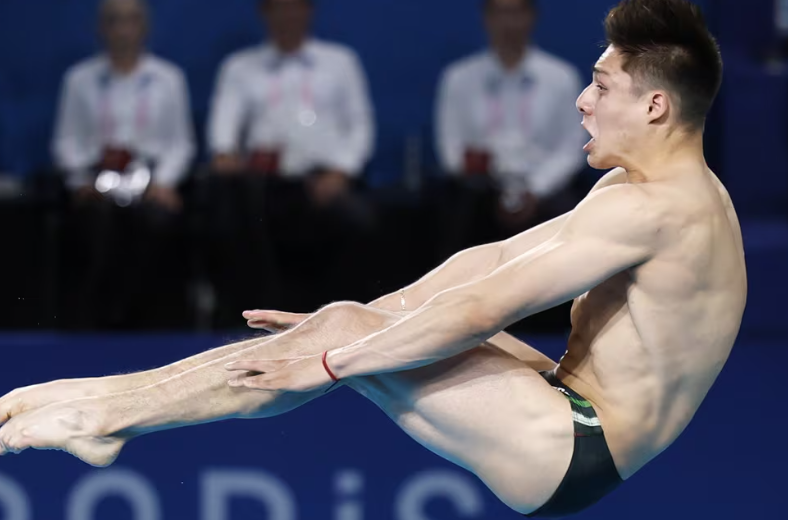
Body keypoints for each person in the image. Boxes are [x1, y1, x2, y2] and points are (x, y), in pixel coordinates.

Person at [0, 1, 745, 517]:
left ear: (655, 107)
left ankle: (104, 413)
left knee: (334, 340)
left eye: (602, 85)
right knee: (344, 325)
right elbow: (486, 259)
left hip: (574, 444)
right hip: (569, 410)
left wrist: (331, 359)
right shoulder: (650, 186)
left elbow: (489, 306)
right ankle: (103, 409)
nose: (583, 101)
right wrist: (371, 323)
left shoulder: (654, 210)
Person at [203, 0, 377, 320]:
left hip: (323, 181)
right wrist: (225, 153)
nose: (287, 16)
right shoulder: (240, 67)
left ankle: (347, 325)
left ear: (309, 10)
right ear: (264, 13)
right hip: (265, 186)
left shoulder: (340, 62)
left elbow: (360, 126)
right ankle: (243, 322)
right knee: (228, 215)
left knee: (360, 223)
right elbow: (224, 128)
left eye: (294, 6)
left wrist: (341, 173)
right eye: (277, 8)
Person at [52, 0, 196, 328]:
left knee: (156, 224)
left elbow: (180, 144)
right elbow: (66, 141)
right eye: (114, 21)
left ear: (144, 27)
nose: (123, 30)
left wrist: (164, 182)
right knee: (96, 225)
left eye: (131, 21)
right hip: (96, 181)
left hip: (151, 182)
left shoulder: (168, 78)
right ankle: (102, 323)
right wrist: (79, 181)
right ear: (101, 28)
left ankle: (146, 324)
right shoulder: (80, 80)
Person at [432, 0, 587, 258]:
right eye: (500, 13)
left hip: (543, 187)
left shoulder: (561, 78)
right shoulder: (459, 78)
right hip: (482, 187)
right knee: (455, 213)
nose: (508, 23)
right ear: (487, 18)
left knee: (572, 219)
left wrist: (535, 189)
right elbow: (451, 147)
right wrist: (492, 181)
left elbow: (572, 147)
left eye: (516, 13)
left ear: (531, 17)